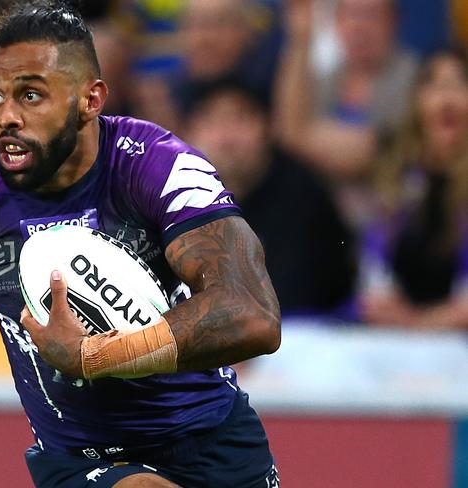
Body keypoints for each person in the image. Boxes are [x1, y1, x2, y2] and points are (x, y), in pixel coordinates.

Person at [0, 1, 282, 487]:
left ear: (91, 99)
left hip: (214, 441)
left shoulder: (157, 167)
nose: (7, 117)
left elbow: (253, 316)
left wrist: (95, 356)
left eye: (30, 96)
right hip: (80, 460)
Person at [185, 79, 355, 317]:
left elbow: (293, 299)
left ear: (268, 129)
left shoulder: (301, 196)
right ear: (188, 134)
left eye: (241, 119)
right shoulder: (174, 197)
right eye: (211, 121)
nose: (226, 137)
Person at [275, 0, 418, 227]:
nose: (359, 26)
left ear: (394, 22)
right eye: (350, 15)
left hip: (394, 223)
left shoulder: (415, 81)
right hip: (325, 225)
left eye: (371, 15)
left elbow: (366, 153)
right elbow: (286, 132)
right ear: (337, 23)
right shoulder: (327, 81)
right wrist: (301, 39)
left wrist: (300, 135)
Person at [358, 49, 468, 330]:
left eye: (459, 84)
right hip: (396, 336)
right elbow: (373, 277)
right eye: (434, 85)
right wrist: (388, 309)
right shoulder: (396, 174)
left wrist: (418, 324)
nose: (447, 98)